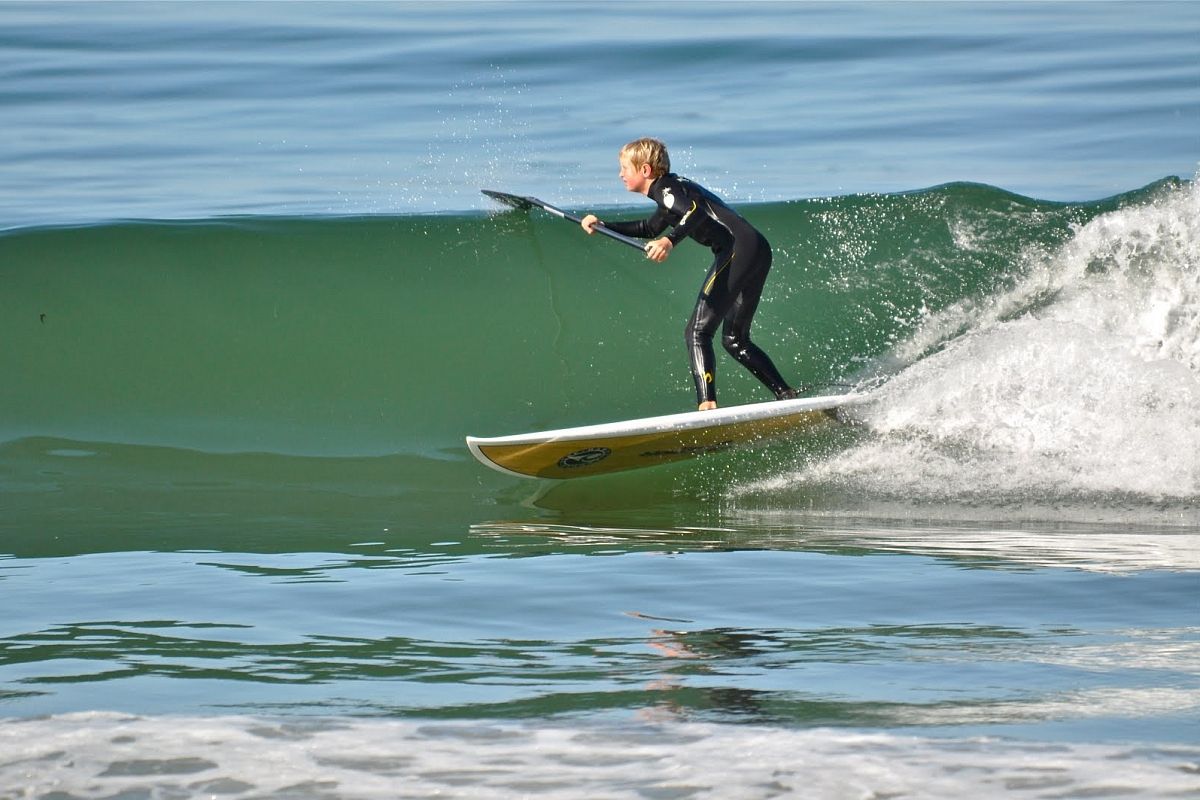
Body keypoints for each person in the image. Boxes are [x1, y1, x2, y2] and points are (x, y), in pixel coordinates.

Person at [581, 137, 799, 411]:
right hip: (755, 247)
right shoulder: (671, 193)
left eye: (625, 167)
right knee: (734, 340)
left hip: (737, 249)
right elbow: (648, 228)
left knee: (697, 331)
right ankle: (786, 396)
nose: (621, 174)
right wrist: (604, 225)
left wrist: (669, 241)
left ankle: (707, 406)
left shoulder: (666, 189)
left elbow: (694, 213)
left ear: (645, 170)